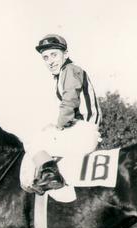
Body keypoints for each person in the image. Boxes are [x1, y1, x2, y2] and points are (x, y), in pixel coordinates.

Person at [24, 34, 102, 194]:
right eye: (45, 57)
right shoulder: (64, 73)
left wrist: (59, 126)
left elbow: (70, 101)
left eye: (54, 55)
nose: (50, 61)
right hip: (81, 130)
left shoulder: (70, 70)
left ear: (65, 54)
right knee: (44, 133)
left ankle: (51, 176)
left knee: (33, 142)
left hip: (83, 132)